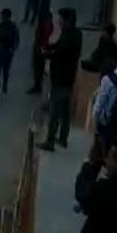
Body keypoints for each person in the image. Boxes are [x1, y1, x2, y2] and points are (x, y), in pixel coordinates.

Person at [39, 8, 83, 151]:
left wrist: (47, 54)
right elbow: (60, 47)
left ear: (67, 20)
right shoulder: (76, 34)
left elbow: (62, 53)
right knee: (65, 112)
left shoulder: (69, 35)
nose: (58, 21)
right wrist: (51, 47)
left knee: (55, 112)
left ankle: (50, 141)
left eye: (61, 19)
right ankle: (63, 138)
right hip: (69, 78)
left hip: (60, 78)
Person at [0, 9, 20, 104]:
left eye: (3, 16)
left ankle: (4, 83)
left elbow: (17, 40)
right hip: (0, 53)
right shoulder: (1, 25)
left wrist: (12, 49)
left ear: (7, 16)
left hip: (7, 53)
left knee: (5, 71)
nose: (1, 17)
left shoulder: (13, 27)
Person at [27, 0, 53, 94]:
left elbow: (41, 31)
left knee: (37, 65)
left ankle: (37, 86)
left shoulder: (43, 16)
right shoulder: (48, 15)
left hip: (40, 44)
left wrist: (39, 43)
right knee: (39, 66)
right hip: (43, 44)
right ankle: (38, 85)